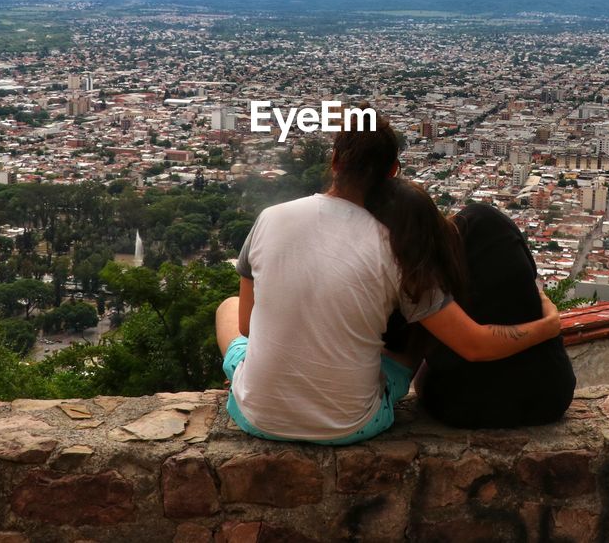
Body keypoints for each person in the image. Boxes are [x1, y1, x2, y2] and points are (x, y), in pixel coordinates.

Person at [214, 112, 561, 444]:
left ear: (334, 160)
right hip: (352, 424)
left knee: (228, 307)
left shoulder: (270, 218)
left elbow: (247, 326)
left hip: (256, 416)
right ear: (393, 170)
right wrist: (548, 325)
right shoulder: (398, 248)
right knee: (416, 328)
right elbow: (474, 345)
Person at [416, 201, 576, 428]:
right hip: (551, 393)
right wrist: (549, 325)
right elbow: (531, 283)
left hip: (463, 404)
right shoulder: (486, 219)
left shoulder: (421, 274)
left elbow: (474, 346)